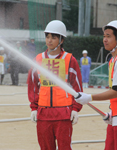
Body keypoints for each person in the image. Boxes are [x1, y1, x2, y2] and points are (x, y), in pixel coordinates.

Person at [75, 20, 117, 150]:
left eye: (109, 36)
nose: (105, 39)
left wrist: (90, 97)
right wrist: (112, 113)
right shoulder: (115, 60)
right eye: (104, 36)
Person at [27, 20, 82, 150]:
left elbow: (77, 86)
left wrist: (75, 108)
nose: (49, 40)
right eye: (47, 36)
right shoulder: (38, 59)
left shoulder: (70, 60)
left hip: (64, 115)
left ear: (61, 40)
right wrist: (34, 108)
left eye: (54, 37)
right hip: (43, 115)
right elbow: (33, 85)